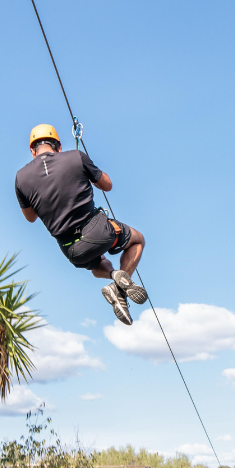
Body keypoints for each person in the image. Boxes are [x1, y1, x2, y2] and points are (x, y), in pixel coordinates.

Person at [14, 123, 148, 324]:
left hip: (71, 250)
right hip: (98, 232)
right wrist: (85, 172)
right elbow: (107, 185)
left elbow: (30, 217)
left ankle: (114, 275)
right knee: (138, 240)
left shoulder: (21, 178)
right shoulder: (75, 157)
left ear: (32, 151)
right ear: (58, 146)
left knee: (95, 265)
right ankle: (120, 285)